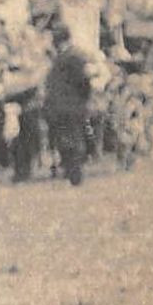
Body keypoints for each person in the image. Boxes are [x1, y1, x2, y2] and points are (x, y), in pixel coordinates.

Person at [43, 18, 95, 185]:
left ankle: (75, 175)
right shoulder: (63, 57)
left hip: (71, 105)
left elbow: (83, 82)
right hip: (63, 106)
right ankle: (70, 172)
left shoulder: (73, 57)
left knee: (72, 140)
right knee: (65, 140)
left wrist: (81, 100)